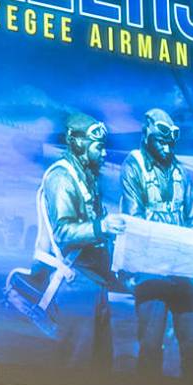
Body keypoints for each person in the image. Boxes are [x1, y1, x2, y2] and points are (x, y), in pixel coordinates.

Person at [33, 113, 125, 370]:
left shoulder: (85, 176)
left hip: (94, 283)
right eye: (98, 147)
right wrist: (101, 227)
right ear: (78, 143)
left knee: (100, 366)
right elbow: (62, 232)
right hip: (77, 285)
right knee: (79, 366)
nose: (104, 154)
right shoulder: (62, 178)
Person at [119, 108, 193, 380]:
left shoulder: (181, 172)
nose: (167, 148)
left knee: (192, 345)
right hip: (150, 270)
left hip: (181, 271)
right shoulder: (134, 166)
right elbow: (135, 219)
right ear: (147, 136)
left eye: (170, 143)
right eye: (161, 141)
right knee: (151, 344)